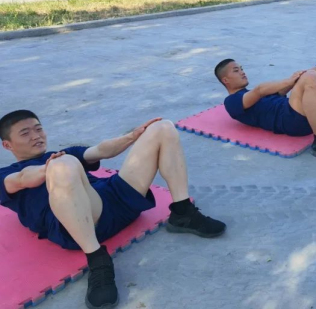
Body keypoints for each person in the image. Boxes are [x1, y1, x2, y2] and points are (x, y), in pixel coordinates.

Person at [0, 110, 226, 309]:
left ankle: (183, 212)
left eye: (38, 129)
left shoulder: (62, 154)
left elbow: (100, 150)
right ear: (7, 145)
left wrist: (132, 136)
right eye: (25, 133)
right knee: (62, 165)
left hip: (116, 200)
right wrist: (49, 168)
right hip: (82, 223)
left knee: (163, 127)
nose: (36, 136)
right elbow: (22, 179)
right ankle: (98, 261)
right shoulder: (6, 174)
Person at [215, 57, 316, 167]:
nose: (242, 71)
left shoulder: (257, 93)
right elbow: (259, 90)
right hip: (291, 120)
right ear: (225, 80)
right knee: (309, 77)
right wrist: (293, 79)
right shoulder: (231, 102)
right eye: (236, 70)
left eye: (241, 68)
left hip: (309, 110)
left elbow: (289, 85)